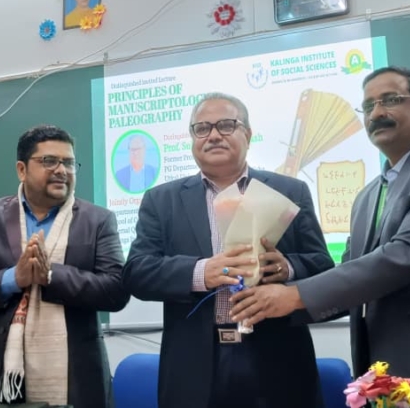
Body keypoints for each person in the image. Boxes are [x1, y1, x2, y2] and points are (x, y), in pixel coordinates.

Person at [229, 66, 410, 407]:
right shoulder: (367, 196)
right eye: (368, 106)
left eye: (390, 100)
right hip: (383, 379)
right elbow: (351, 276)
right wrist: (273, 292)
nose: (377, 113)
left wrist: (293, 295)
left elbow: (405, 255)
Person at [122, 92, 335, 408]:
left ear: (247, 134)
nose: (213, 135)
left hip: (279, 360)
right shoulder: (162, 200)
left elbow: (323, 267)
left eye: (226, 125)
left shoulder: (290, 191)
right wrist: (201, 272)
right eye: (202, 128)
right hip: (194, 366)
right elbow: (137, 273)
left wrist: (286, 268)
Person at [0, 125, 129, 407]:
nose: (62, 170)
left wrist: (50, 275)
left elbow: (116, 290)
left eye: (68, 163)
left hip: (75, 376)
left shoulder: (98, 220)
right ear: (22, 169)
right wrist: (11, 279)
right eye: (49, 161)